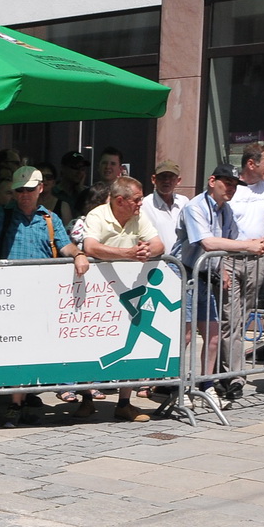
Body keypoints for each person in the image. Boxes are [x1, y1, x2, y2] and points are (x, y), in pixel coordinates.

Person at [0, 166, 87, 426]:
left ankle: (26, 397)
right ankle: (15, 403)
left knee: (37, 349)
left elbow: (65, 245)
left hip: (43, 295)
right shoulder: (3, 212)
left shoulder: (50, 218)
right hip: (11, 294)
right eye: (20, 190)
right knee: (16, 349)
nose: (24, 195)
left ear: (40, 189)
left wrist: (79, 254)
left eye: (29, 190)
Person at [79, 177, 167, 421]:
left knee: (129, 346)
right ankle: (86, 399)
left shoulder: (139, 216)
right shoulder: (97, 215)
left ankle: (124, 403)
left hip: (128, 291)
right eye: (137, 200)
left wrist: (147, 251)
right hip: (97, 293)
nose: (141, 203)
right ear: (120, 201)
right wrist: (127, 253)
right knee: (89, 343)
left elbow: (158, 244)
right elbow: (91, 247)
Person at [181, 164, 264, 404]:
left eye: (234, 185)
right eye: (227, 183)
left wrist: (225, 266)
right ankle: (175, 385)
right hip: (185, 275)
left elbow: (229, 241)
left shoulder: (226, 210)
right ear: (212, 181)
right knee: (185, 335)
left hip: (207, 276)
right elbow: (208, 243)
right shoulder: (194, 207)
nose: (231, 188)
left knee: (213, 335)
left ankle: (206, 384)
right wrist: (248, 246)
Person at [141, 161, 189, 252]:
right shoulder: (145, 204)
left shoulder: (184, 202)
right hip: (157, 259)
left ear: (178, 181)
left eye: (171, 177)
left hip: (181, 259)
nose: (166, 181)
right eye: (162, 176)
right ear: (154, 179)